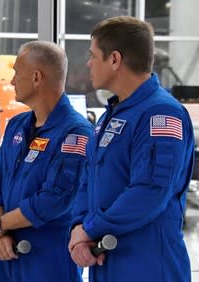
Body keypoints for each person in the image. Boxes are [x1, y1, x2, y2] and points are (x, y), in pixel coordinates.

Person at [69, 16, 194, 282]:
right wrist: (79, 227)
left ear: (114, 59)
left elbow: (150, 191)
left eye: (93, 56)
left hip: (148, 264)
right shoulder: (111, 116)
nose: (89, 64)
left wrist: (91, 228)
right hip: (107, 256)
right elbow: (88, 179)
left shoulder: (160, 114)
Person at [0, 41, 92, 282]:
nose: (12, 81)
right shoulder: (16, 126)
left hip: (50, 260)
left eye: (16, 73)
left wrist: (0, 225)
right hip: (9, 255)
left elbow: (55, 199)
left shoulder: (76, 133)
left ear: (36, 77)